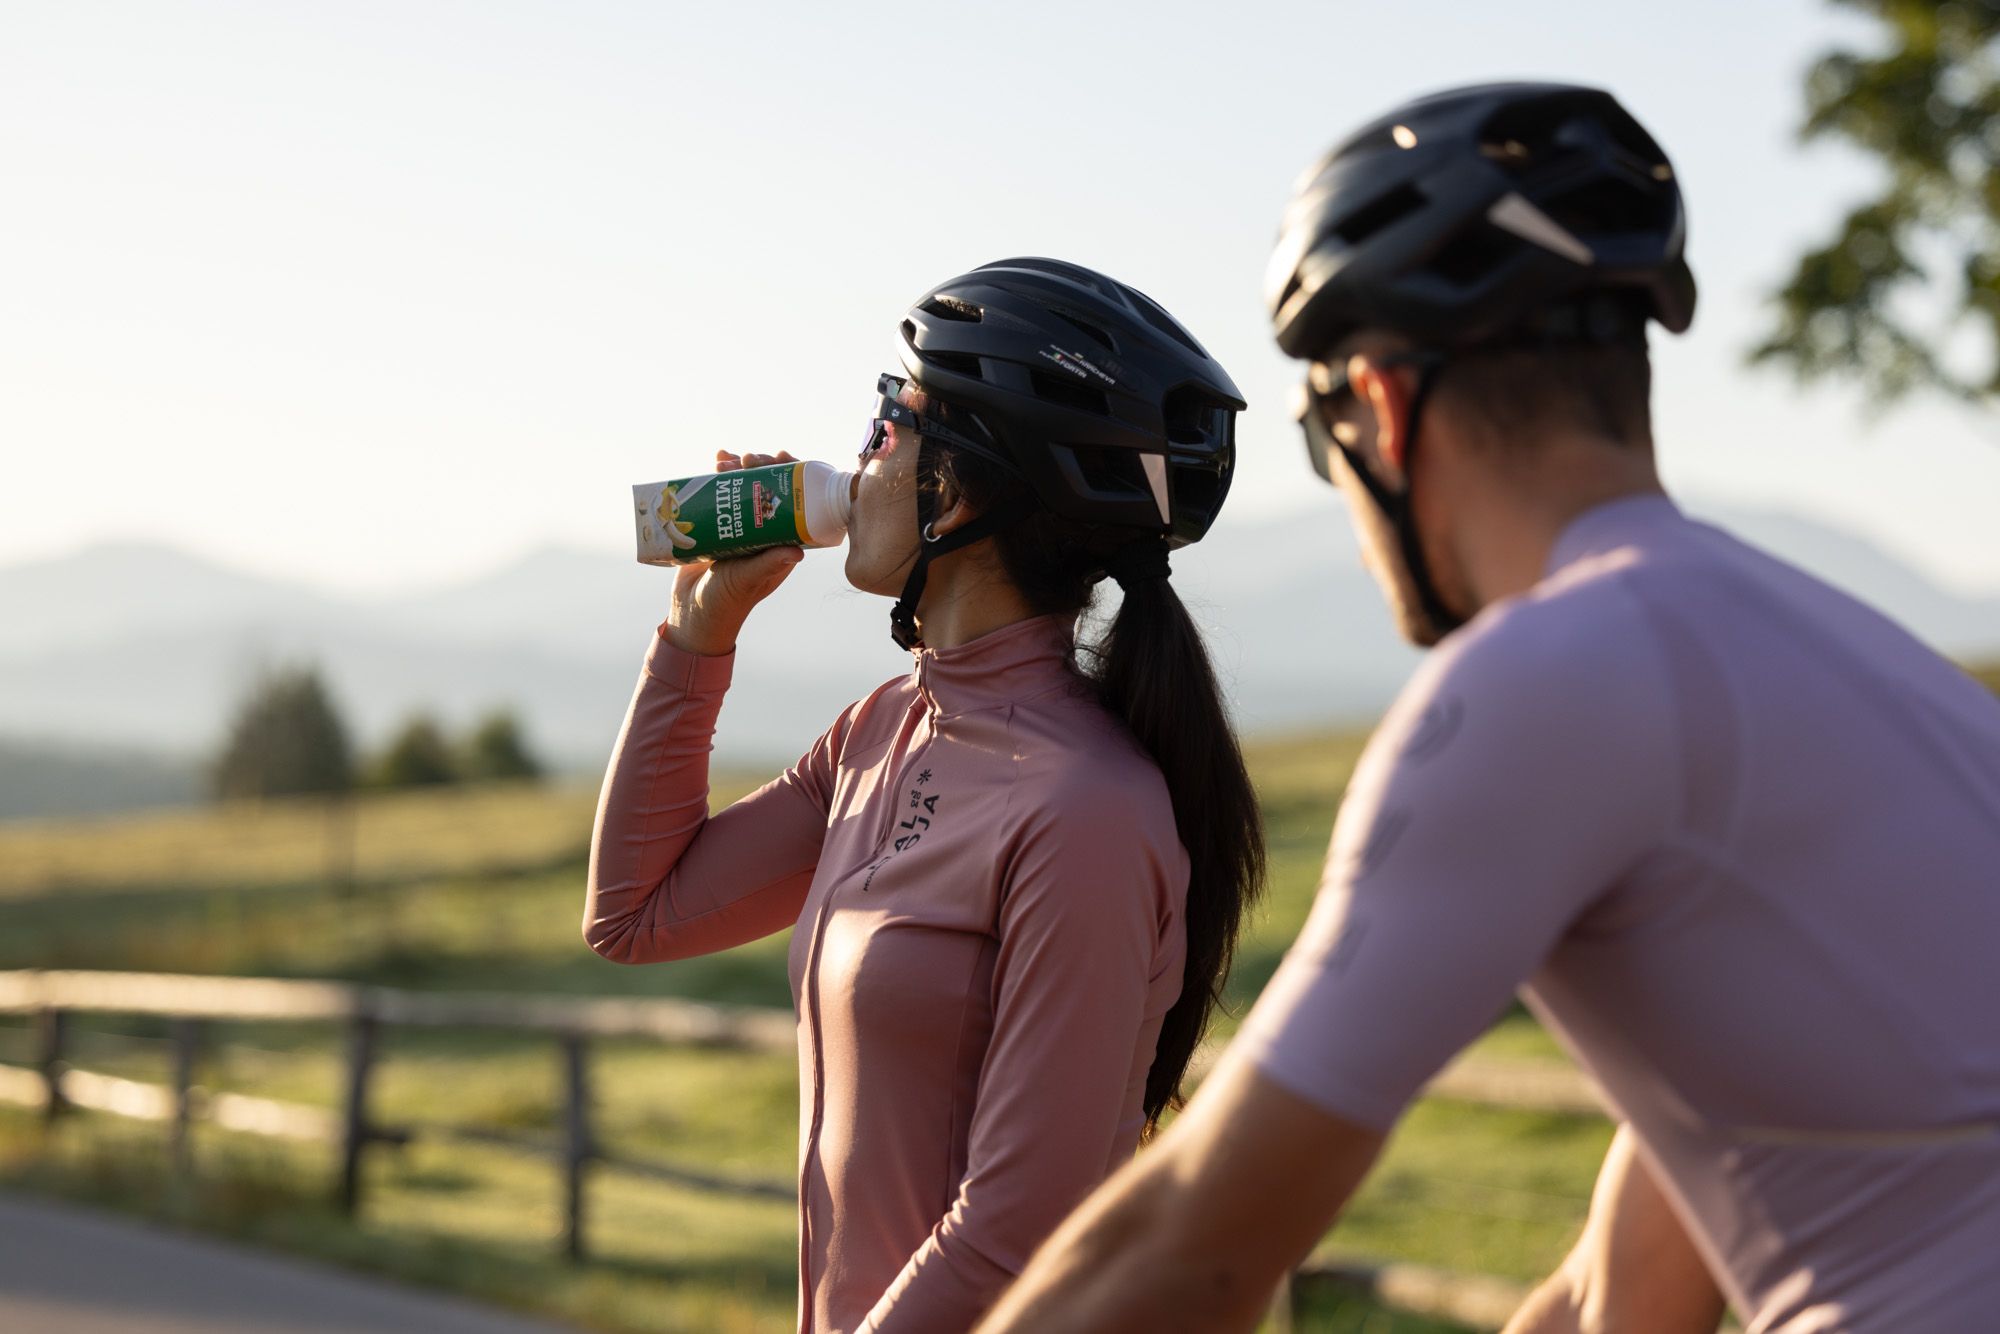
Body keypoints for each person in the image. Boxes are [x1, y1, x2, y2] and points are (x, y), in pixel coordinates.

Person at [977, 83, 2000, 1334]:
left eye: (1319, 432)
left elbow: (1193, 1242)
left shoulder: (1553, 673)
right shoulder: (1855, 665)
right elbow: (1612, 1302)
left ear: (1382, 409)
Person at [583, 257, 1266, 1334]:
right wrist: (697, 628)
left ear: (958, 489)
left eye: (884, 420)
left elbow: (1014, 1229)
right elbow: (633, 914)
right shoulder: (876, 732)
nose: (858, 454)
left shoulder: (1084, 813)